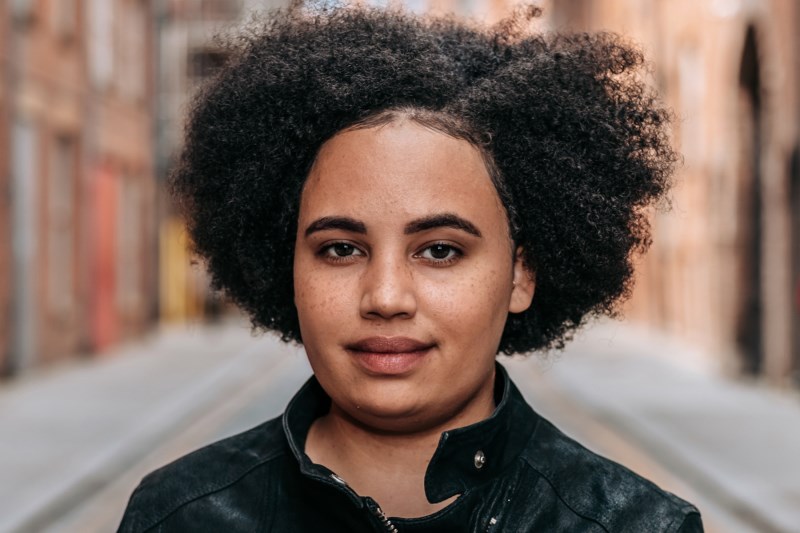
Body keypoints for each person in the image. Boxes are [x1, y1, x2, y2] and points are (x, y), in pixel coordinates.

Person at [119, 4, 703, 532]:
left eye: (441, 250)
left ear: (521, 274)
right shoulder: (180, 515)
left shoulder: (632, 524)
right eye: (341, 249)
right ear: (285, 265)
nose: (387, 296)